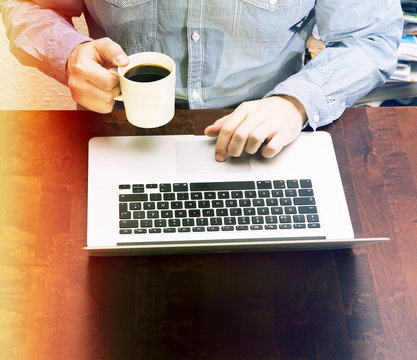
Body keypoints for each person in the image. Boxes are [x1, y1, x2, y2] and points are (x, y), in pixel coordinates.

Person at [1, 1, 403, 162]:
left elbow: (371, 36)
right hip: (113, 139)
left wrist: (295, 103)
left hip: (262, 145)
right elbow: (29, 7)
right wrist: (69, 53)